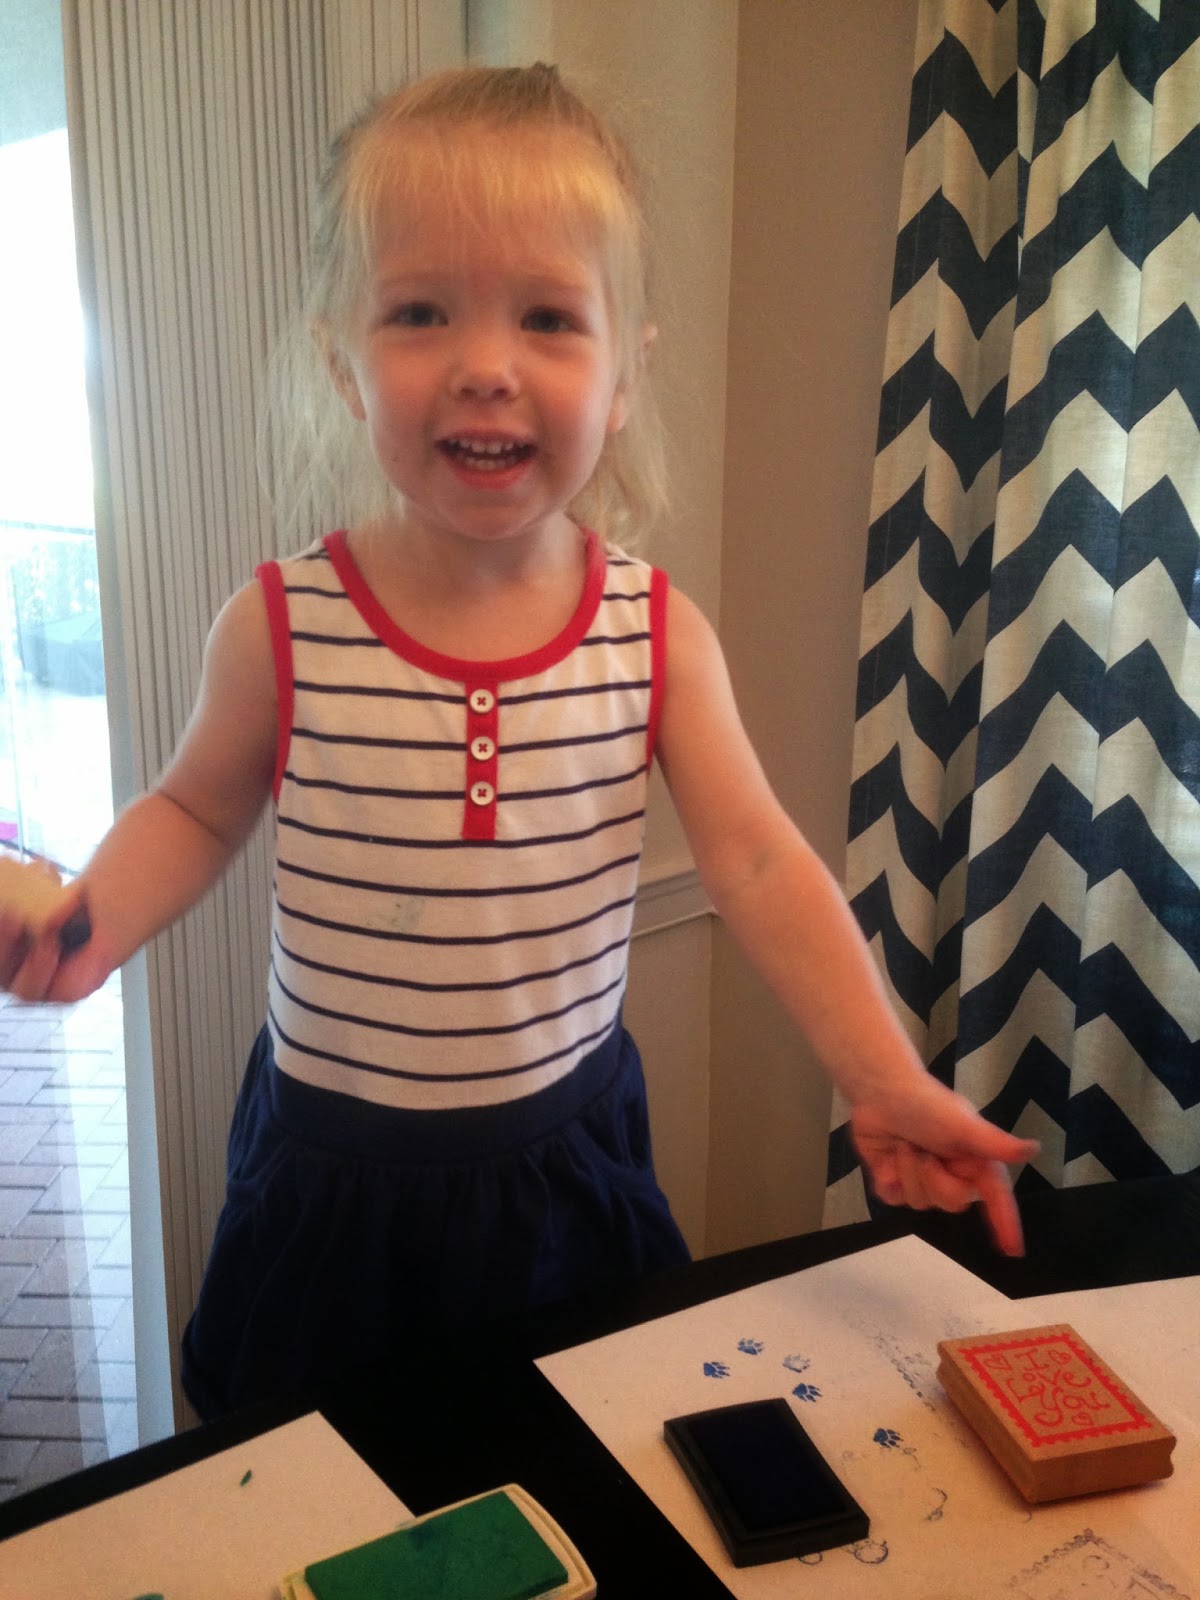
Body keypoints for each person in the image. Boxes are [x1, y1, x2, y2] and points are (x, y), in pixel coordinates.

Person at [0, 64, 1037, 1419]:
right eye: (419, 311)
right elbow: (195, 811)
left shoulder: (657, 637)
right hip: (331, 1184)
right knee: (314, 1483)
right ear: (342, 360)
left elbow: (760, 865)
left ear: (623, 375)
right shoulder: (281, 625)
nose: (486, 365)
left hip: (564, 1176)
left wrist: (880, 1074)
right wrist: (88, 922)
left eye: (548, 318)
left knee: (568, 1463)